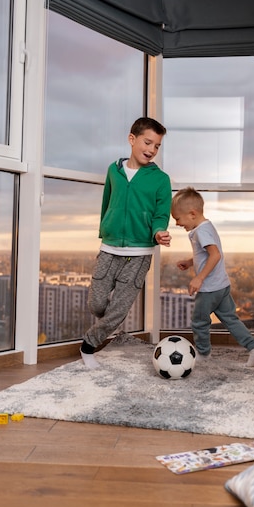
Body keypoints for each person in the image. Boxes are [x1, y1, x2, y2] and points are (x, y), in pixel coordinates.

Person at [81, 117, 172, 369]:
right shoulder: (114, 170)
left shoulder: (161, 180)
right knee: (96, 303)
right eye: (148, 142)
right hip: (109, 247)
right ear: (132, 139)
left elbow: (161, 214)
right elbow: (107, 202)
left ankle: (88, 346)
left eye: (157, 146)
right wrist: (105, 229)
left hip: (139, 252)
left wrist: (159, 232)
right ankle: (109, 325)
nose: (152, 149)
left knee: (119, 309)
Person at [171, 187, 254, 367]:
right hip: (222, 286)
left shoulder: (201, 231)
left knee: (199, 322)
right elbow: (208, 253)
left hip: (209, 289)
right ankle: (253, 348)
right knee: (231, 319)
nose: (177, 223)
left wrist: (199, 278)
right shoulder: (207, 226)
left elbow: (215, 255)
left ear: (192, 213)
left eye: (177, 219)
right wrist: (191, 262)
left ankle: (204, 355)